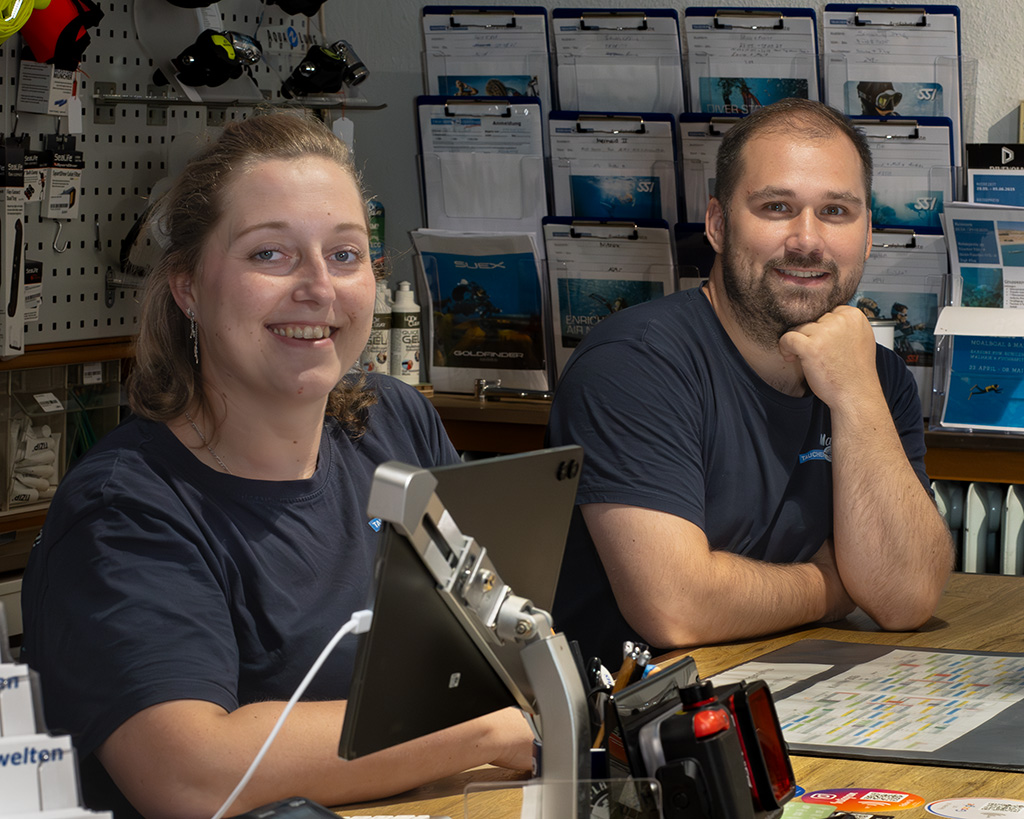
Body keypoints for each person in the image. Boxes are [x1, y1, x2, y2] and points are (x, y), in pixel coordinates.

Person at [20, 112, 533, 819]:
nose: (318, 287)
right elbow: (191, 773)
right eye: (270, 254)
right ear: (187, 287)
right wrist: (473, 728)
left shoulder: (395, 424)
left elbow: (500, 642)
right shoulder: (124, 510)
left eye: (345, 254)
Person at [546, 98, 954, 665]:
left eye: (836, 211)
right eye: (776, 207)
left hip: (786, 684)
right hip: (632, 707)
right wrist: (835, 587)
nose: (807, 240)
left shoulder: (875, 377)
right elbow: (676, 607)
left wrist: (857, 394)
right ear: (718, 225)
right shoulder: (634, 364)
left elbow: (907, 598)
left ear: (867, 236)